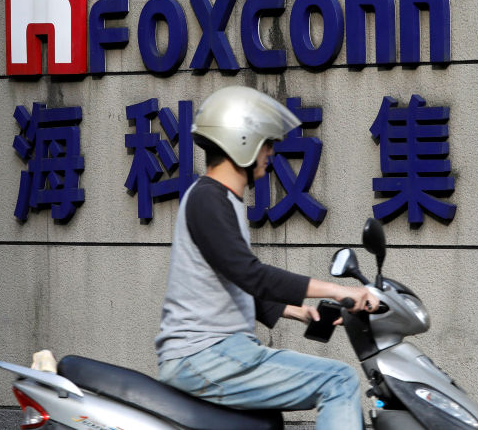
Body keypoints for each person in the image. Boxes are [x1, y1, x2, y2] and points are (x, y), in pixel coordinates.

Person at [155, 85, 379, 430]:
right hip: (204, 354)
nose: (271, 152)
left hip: (212, 353)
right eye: (266, 142)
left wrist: (298, 311)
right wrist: (338, 291)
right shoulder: (207, 200)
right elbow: (251, 274)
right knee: (339, 380)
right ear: (241, 142)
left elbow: (233, 279)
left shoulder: (220, 200)